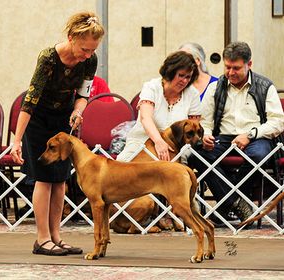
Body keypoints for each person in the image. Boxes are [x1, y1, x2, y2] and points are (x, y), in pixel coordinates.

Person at [11, 11, 104, 256]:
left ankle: (56, 236)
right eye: (84, 49)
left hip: (63, 117)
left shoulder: (89, 61)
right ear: (71, 37)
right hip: (38, 119)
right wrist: (17, 140)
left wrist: (77, 111)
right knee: (44, 178)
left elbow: (83, 95)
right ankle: (41, 239)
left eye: (92, 50)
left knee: (60, 179)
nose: (88, 55)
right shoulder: (48, 58)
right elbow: (30, 101)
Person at [189, 41, 284, 226]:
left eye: (236, 68)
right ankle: (236, 203)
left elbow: (278, 122)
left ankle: (224, 205)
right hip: (223, 137)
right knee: (195, 155)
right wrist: (206, 135)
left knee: (258, 155)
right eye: (227, 67)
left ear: (249, 64)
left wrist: (250, 134)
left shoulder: (265, 86)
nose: (231, 73)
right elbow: (206, 122)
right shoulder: (215, 87)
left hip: (257, 136)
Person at [117, 50, 201, 162]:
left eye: (188, 77)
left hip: (179, 147)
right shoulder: (152, 87)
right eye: (181, 75)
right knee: (123, 163)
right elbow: (145, 118)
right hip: (142, 141)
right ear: (170, 72)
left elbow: (195, 125)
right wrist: (159, 141)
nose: (184, 81)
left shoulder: (193, 93)